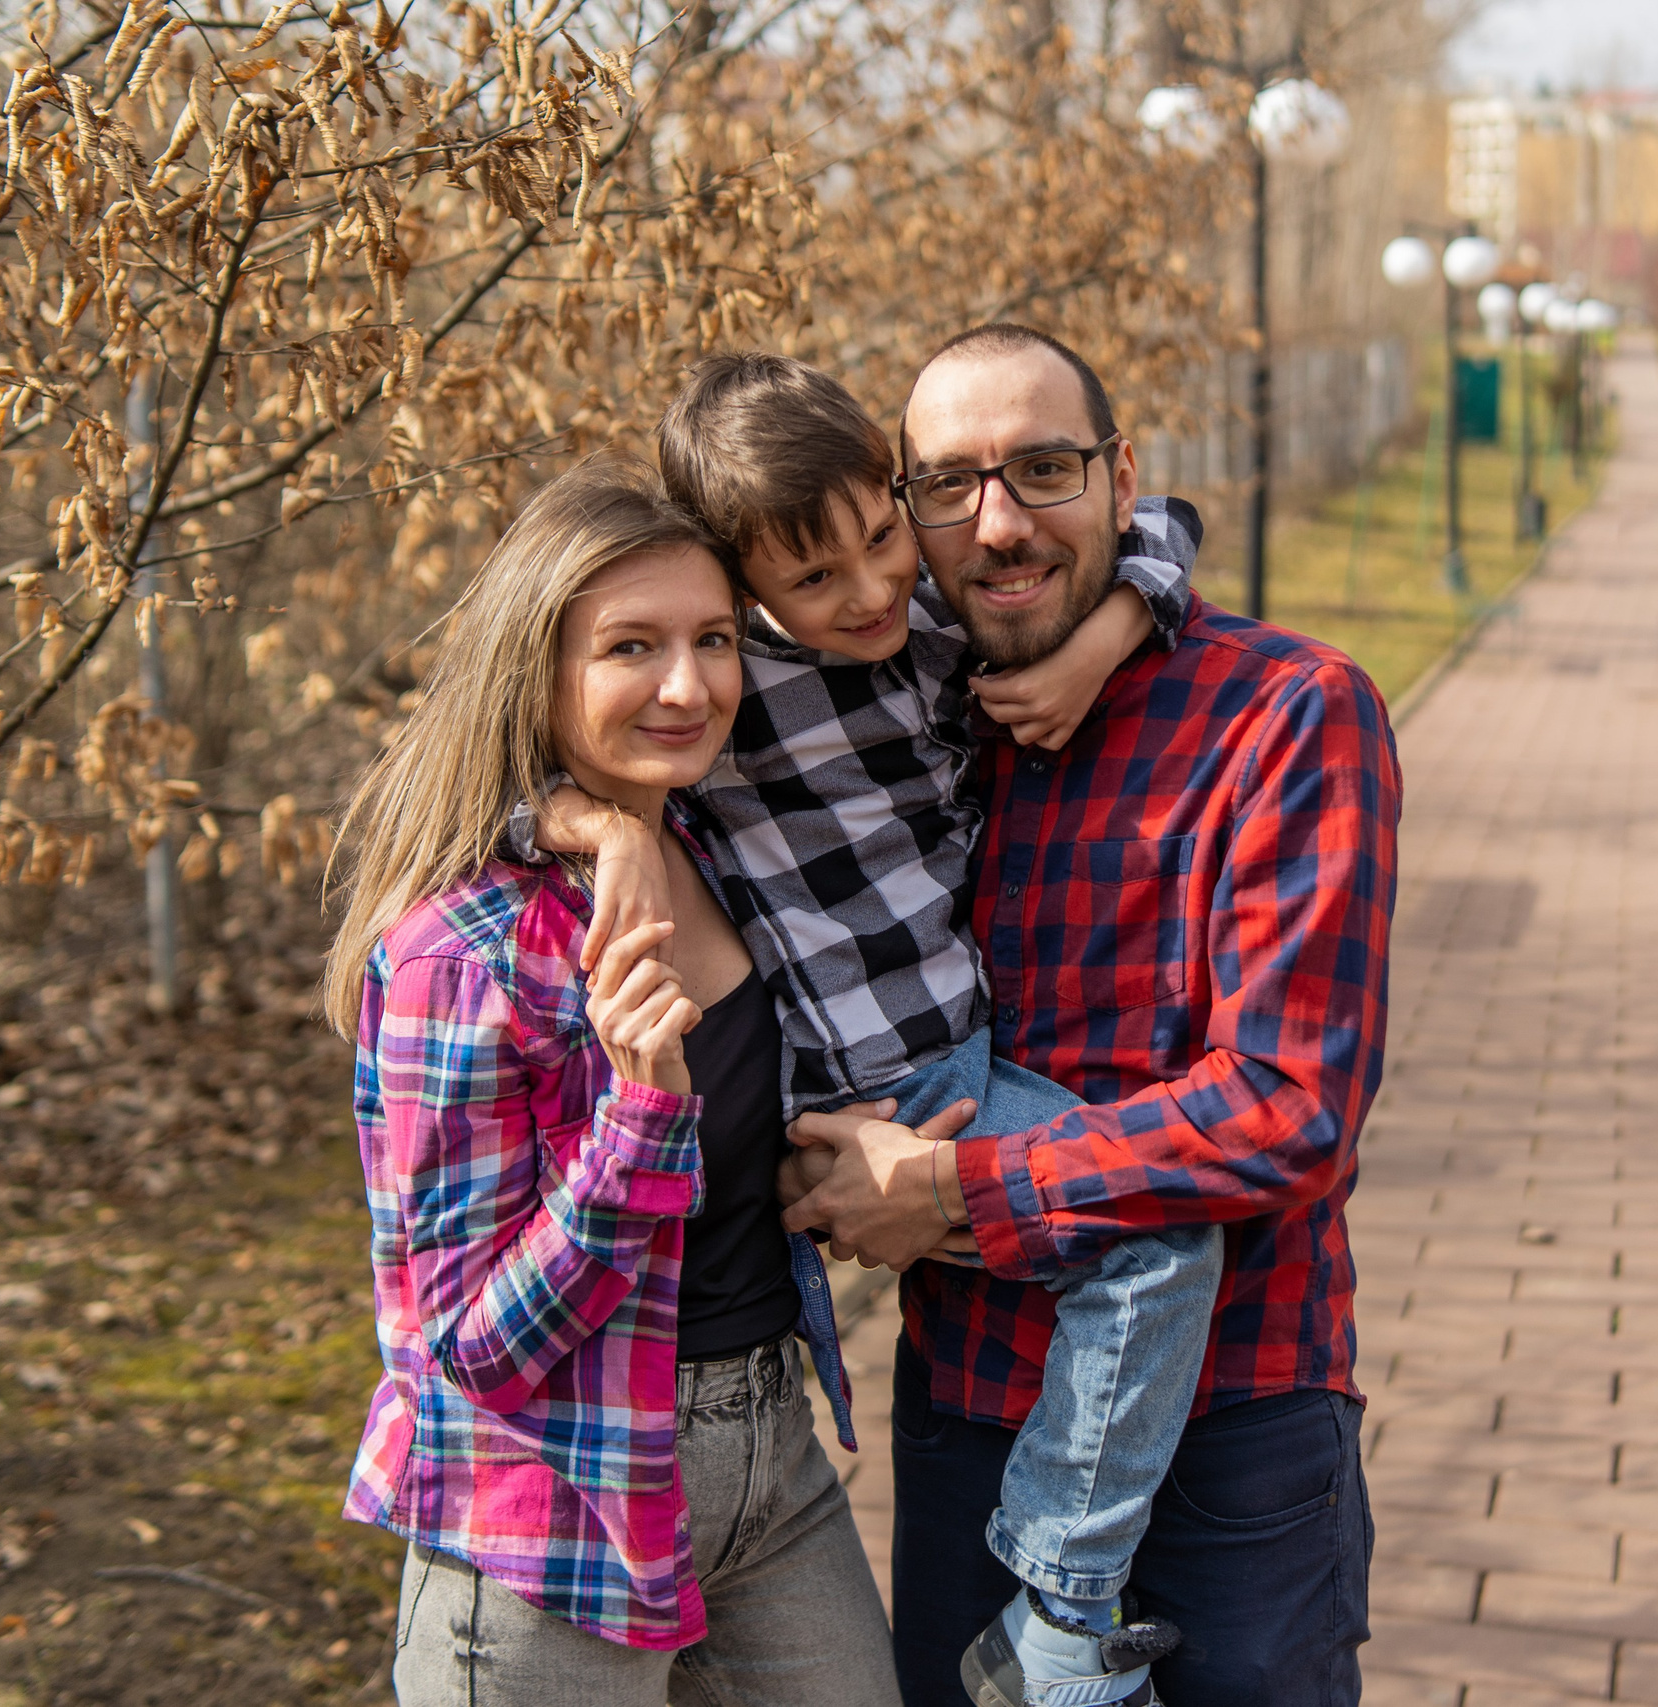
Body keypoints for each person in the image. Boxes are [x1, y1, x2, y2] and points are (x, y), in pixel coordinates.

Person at [538, 352, 1222, 1707]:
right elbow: (520, 758)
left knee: (1127, 1240)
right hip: (886, 1072)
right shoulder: (728, 695)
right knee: (1155, 1238)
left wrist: (1100, 638)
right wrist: (596, 824)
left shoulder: (921, 625)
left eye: (878, 538)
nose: (865, 592)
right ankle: (1061, 1606)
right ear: (737, 589)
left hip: (954, 1049)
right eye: (813, 581)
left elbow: (1167, 528)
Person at [781, 324, 1402, 1706]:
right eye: (947, 484)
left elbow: (1290, 1108)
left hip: (1235, 1413)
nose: (997, 524)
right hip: (974, 1410)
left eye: (1043, 470)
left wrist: (953, 1187)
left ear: (1121, 477)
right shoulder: (905, 708)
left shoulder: (1289, 713)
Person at [319, 456, 901, 1705]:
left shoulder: (704, 834)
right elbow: (470, 1344)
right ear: (537, 668)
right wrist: (641, 1118)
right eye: (630, 646)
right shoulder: (458, 958)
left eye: (712, 640)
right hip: (548, 1512)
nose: (688, 686)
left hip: (771, 1459)